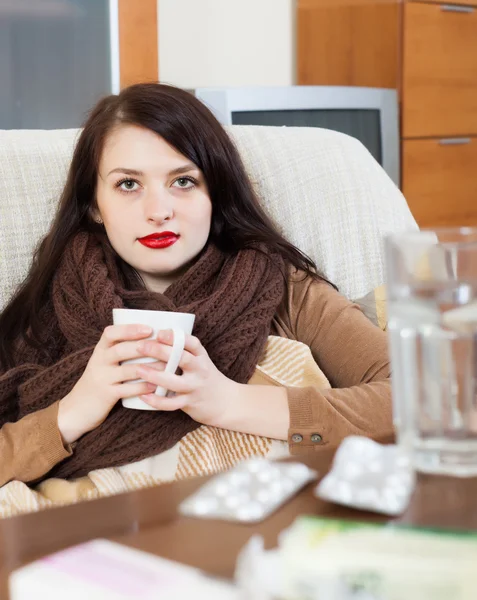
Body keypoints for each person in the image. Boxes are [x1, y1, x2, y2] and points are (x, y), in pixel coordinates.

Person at [0, 83, 392, 489]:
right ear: (94, 205)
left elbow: (421, 398)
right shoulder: (46, 309)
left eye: (183, 181)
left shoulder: (282, 288)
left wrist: (229, 403)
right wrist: (72, 412)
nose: (158, 212)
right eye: (128, 185)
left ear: (214, 194)